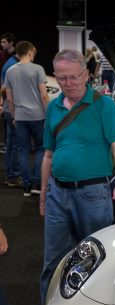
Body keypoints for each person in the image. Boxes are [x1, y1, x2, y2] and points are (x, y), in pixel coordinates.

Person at [39, 49, 115, 305]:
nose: (68, 83)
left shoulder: (104, 105)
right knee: (53, 263)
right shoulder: (54, 108)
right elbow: (48, 155)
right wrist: (44, 195)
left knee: (96, 262)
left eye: (73, 77)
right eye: (61, 78)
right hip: (57, 194)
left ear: (86, 74)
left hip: (93, 195)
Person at [4, 41, 49, 196]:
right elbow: (44, 95)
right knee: (41, 149)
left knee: (23, 150)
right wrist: (49, 114)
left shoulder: (10, 70)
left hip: (20, 117)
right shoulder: (38, 69)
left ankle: (26, 187)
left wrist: (14, 116)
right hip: (38, 116)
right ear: (30, 52)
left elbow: (9, 99)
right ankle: (37, 183)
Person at [0, 34, 19, 188]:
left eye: (4, 41)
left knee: (10, 144)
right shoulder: (12, 65)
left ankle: (11, 175)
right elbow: (4, 89)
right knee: (13, 145)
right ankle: (12, 176)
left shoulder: (9, 63)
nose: (2, 44)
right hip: (10, 110)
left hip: (7, 109)